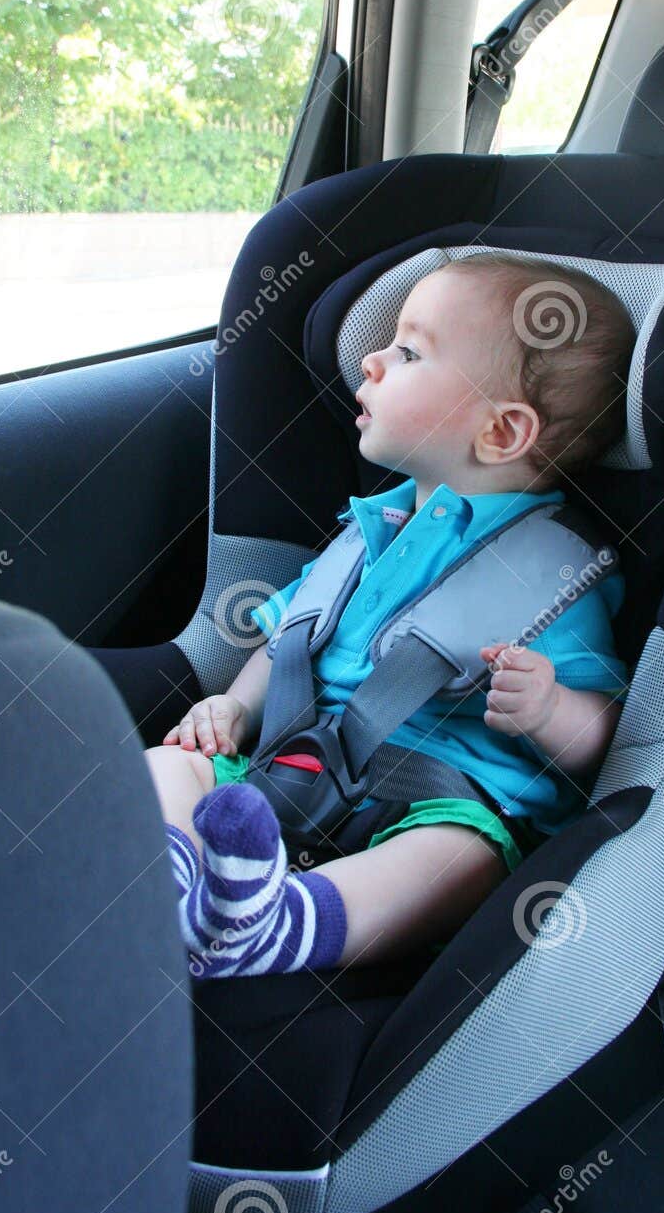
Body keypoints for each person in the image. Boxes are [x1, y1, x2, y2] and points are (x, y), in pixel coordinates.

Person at [146, 252, 635, 980]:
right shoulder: (369, 527)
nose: (370, 361)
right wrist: (233, 706)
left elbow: (606, 737)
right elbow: (287, 646)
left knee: (460, 861)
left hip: (431, 801)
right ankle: (179, 892)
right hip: (283, 763)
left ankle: (280, 927)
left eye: (408, 352)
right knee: (167, 765)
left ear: (501, 433)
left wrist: (549, 707)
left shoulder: (556, 573)